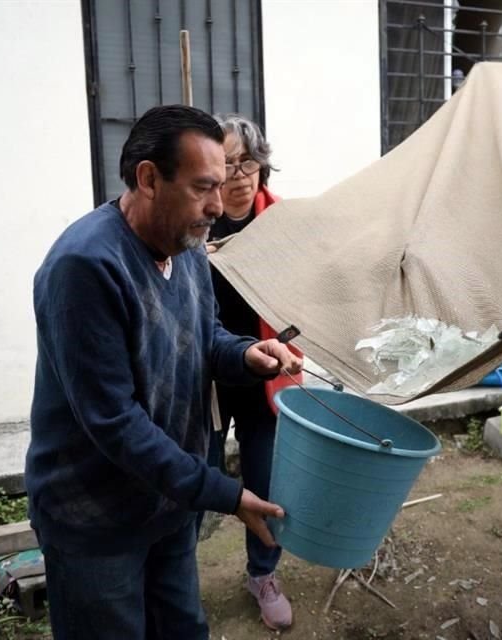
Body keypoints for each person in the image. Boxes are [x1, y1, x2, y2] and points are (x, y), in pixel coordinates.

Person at [26, 104, 302, 640]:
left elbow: (205, 336)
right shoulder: (85, 266)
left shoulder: (189, 244)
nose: (218, 206)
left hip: (168, 505)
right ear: (149, 178)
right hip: (95, 522)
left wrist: (246, 354)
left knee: (182, 628)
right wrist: (223, 491)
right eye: (203, 187)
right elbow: (113, 421)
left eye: (222, 186)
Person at [204, 113, 301, 631]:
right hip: (208, 381)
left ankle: (262, 575)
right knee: (195, 477)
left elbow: (307, 300)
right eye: (228, 163)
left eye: (249, 162)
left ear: (263, 166)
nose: (240, 175)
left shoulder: (284, 223)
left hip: (268, 377)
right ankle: (172, 576)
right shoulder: (196, 222)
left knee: (266, 482)